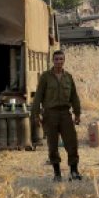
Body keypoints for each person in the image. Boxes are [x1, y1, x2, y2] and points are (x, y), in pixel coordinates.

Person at [31, 50, 83, 182]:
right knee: (52, 144)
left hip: (65, 113)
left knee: (71, 143)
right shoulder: (45, 77)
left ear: (64, 60)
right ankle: (57, 173)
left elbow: (74, 97)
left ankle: (74, 171)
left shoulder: (68, 77)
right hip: (50, 114)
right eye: (56, 59)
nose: (59, 62)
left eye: (61, 59)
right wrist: (36, 114)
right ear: (53, 61)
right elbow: (38, 96)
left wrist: (77, 113)